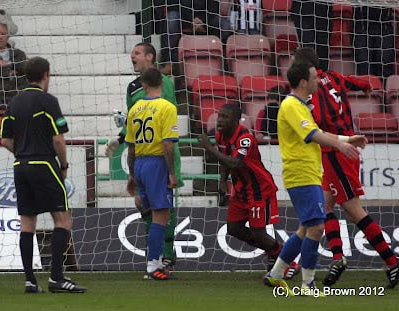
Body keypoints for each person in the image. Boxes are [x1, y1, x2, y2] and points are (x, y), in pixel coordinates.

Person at [293, 47, 399, 288]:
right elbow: (355, 82)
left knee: (353, 211)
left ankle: (392, 261)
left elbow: (317, 123)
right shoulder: (335, 77)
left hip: (338, 152)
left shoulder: (313, 91)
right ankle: (338, 258)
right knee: (325, 206)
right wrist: (366, 86)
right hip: (341, 150)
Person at [263, 61, 367, 296]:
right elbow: (313, 135)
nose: (318, 81)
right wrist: (341, 145)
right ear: (302, 82)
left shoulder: (299, 105)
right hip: (300, 174)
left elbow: (317, 132)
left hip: (307, 173)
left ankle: (276, 274)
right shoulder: (291, 105)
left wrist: (348, 139)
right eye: (313, 78)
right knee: (316, 228)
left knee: (305, 228)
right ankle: (307, 284)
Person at [0, 56, 86, 293]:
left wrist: (24, 152)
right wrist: (64, 164)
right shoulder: (48, 100)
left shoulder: (14, 102)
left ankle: (30, 281)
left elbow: (5, 139)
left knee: (27, 222)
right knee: (62, 218)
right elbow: (58, 137)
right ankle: (57, 278)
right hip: (44, 164)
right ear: (46, 75)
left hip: (21, 166)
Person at [106, 42, 183, 274]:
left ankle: (165, 255)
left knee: (163, 206)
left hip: (158, 152)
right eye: (132, 53)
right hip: (148, 153)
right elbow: (133, 120)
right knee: (147, 205)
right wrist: (120, 138)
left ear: (150, 57)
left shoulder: (164, 84)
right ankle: (155, 257)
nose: (133, 56)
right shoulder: (132, 88)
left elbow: (161, 120)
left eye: (137, 53)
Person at [199, 103, 300, 278]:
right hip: (240, 190)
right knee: (233, 229)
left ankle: (287, 259)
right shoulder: (220, 135)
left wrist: (209, 148)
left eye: (225, 117)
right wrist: (223, 181)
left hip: (259, 190)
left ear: (236, 121)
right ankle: (274, 252)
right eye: (220, 116)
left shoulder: (245, 138)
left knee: (258, 233)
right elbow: (225, 159)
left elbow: (235, 162)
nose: (220, 120)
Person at [125, 67, 179, 280]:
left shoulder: (136, 107)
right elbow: (167, 144)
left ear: (144, 85)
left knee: (153, 214)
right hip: (157, 164)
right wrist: (172, 173)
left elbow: (130, 146)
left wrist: (131, 174)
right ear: (163, 84)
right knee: (162, 214)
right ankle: (153, 265)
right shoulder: (167, 107)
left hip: (139, 162)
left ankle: (154, 263)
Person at [159, 0, 232, 74]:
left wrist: (202, 21)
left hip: (206, 17)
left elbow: (214, 5)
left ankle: (224, 64)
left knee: (225, 25)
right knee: (171, 18)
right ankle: (170, 63)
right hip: (183, 15)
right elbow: (172, 4)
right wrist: (192, 19)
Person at [353, 6, 395, 81]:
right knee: (363, 66)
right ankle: (367, 90)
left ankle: (384, 91)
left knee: (385, 64)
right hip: (362, 24)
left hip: (384, 24)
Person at [291, 0, 332, 71]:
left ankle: (322, 78)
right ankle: (309, 78)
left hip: (324, 11)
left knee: (323, 50)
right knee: (307, 51)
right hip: (303, 11)